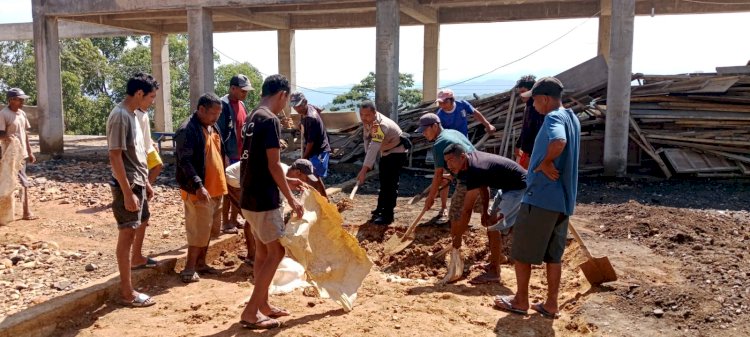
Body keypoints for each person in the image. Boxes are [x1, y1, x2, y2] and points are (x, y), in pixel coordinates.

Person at [493, 77, 580, 320]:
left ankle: (520, 301)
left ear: (544, 99)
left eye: (534, 101)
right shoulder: (572, 117)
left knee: (521, 252)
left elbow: (558, 141)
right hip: (562, 200)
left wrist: (545, 162)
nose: (532, 106)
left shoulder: (553, 118)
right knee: (554, 256)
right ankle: (551, 304)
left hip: (541, 197)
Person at [239, 74, 304, 330]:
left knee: (264, 251)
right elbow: (273, 164)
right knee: (277, 251)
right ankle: (250, 311)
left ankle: (263, 305)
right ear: (282, 95)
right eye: (286, 100)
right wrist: (291, 198)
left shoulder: (253, 117)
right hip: (263, 198)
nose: (284, 106)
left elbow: (256, 161)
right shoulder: (270, 120)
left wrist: (288, 183)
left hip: (249, 194)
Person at [105, 73, 159, 307]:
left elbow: (135, 153)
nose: (152, 101)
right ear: (139, 94)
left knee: (138, 224)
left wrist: (145, 182)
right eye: (151, 97)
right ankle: (127, 293)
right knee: (126, 234)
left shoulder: (133, 116)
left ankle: (131, 278)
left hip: (137, 181)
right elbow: (115, 156)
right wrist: (127, 193)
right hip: (127, 185)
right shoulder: (119, 117)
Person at [443, 144, 527, 284]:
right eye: (446, 161)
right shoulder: (468, 165)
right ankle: (494, 261)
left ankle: (495, 272)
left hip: (519, 188)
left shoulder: (475, 168)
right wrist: (484, 211)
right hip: (506, 187)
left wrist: (458, 237)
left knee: (494, 225)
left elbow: (467, 210)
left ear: (462, 156)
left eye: (451, 160)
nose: (448, 165)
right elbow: (484, 185)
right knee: (490, 222)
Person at [175, 93, 228, 283]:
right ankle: (189, 268)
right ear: (201, 109)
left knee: (209, 230)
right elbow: (185, 161)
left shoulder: (211, 126)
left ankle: (201, 263)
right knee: (197, 229)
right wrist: (198, 185)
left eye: (219, 114)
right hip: (199, 190)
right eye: (213, 113)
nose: (216, 117)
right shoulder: (187, 130)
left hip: (216, 188)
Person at [433, 88, 496, 221]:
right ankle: (443, 207)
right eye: (440, 103)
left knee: (469, 174)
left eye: (443, 102)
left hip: (463, 145)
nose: (441, 105)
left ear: (451, 100)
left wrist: (487, 124)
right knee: (445, 178)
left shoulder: (462, 105)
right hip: (448, 149)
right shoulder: (440, 116)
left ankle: (480, 209)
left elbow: (475, 113)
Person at [419, 113, 480, 233]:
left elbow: (438, 175)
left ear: (435, 126)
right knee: (481, 205)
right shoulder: (453, 132)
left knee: (455, 211)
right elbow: (465, 156)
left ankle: (456, 238)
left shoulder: (439, 144)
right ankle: (502, 225)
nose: (423, 134)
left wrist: (430, 198)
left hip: (469, 177)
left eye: (425, 130)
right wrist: (452, 175)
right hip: (480, 169)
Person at [356, 100, 408, 225]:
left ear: (374, 113)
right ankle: (380, 209)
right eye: (361, 115)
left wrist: (364, 170)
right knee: (384, 182)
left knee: (390, 184)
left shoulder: (381, 125)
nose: (364, 118)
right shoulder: (368, 122)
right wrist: (368, 162)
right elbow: (367, 140)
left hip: (397, 153)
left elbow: (374, 146)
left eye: (367, 115)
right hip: (386, 152)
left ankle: (388, 215)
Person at [218, 74, 253, 234]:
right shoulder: (222, 106)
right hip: (229, 154)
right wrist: (222, 155)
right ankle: (225, 222)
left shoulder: (242, 105)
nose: (245, 94)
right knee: (228, 190)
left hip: (241, 155)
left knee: (238, 187)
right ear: (232, 88)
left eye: (246, 91)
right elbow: (218, 133)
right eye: (242, 91)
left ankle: (234, 219)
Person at [0, 88, 37, 221]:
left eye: (22, 99)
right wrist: (8, 137)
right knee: (9, 183)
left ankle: (26, 211)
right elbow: (1, 134)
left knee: (23, 181)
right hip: (9, 156)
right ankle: (22, 212)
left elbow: (25, 134)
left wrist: (30, 152)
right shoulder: (4, 114)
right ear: (11, 100)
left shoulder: (22, 114)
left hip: (21, 154)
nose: (22, 101)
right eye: (19, 99)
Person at [290, 92, 331, 186]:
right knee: (309, 176)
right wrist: (301, 124)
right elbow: (319, 109)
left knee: (315, 178)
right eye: (294, 106)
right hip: (313, 150)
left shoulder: (311, 118)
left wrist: (304, 158)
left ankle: (322, 198)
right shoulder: (308, 108)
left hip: (319, 151)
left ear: (305, 102)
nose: (296, 109)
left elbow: (310, 142)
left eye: (298, 106)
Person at [513, 75, 544, 169]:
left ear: (531, 91)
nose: (521, 95)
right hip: (526, 151)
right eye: (520, 92)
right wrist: (518, 145)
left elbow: (539, 133)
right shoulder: (528, 107)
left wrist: (531, 155)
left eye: (523, 91)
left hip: (534, 153)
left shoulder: (537, 109)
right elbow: (525, 129)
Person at [135, 108, 163, 184]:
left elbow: (146, 132)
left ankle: (147, 187)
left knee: (158, 165)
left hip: (148, 146)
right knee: (141, 171)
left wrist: (152, 142)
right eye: (151, 97)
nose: (153, 101)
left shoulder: (145, 112)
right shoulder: (134, 113)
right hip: (139, 148)